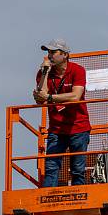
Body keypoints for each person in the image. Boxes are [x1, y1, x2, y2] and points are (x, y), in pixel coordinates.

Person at [33, 39, 91, 187]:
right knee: (51, 166)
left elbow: (75, 96)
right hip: (57, 128)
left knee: (78, 168)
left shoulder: (78, 70)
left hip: (78, 127)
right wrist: (45, 73)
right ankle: (47, 197)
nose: (49, 55)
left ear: (65, 55)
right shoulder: (43, 73)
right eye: (48, 52)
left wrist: (51, 98)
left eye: (53, 52)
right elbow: (41, 97)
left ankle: (79, 196)